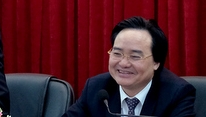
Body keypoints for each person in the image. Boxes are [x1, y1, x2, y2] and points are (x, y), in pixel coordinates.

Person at [62, 16, 196, 117]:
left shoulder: (176, 94)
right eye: (117, 53)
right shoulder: (96, 88)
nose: (124, 63)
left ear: (156, 62)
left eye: (135, 56)